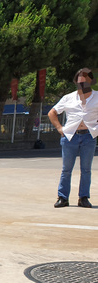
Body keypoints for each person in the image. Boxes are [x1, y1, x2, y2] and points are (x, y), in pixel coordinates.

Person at [48, 67, 98, 208]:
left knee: (86, 169)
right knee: (66, 169)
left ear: (91, 80)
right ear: (76, 80)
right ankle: (63, 198)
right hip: (70, 136)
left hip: (88, 136)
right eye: (80, 77)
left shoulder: (97, 96)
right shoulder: (68, 97)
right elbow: (52, 112)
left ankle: (83, 198)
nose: (83, 80)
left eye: (86, 77)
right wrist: (59, 128)